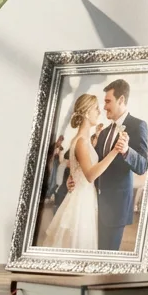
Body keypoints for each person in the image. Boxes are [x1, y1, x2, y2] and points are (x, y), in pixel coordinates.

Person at [39, 94, 121, 249]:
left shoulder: (81, 140)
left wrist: (71, 179)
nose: (99, 112)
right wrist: (115, 151)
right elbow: (90, 175)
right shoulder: (82, 142)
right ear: (87, 112)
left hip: (82, 194)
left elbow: (76, 170)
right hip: (82, 199)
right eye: (96, 108)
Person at [93, 79, 148, 251]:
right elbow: (96, 165)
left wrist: (126, 150)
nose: (104, 107)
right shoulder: (103, 132)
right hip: (94, 204)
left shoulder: (138, 125)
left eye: (108, 101)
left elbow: (142, 165)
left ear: (121, 100)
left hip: (116, 207)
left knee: (108, 254)